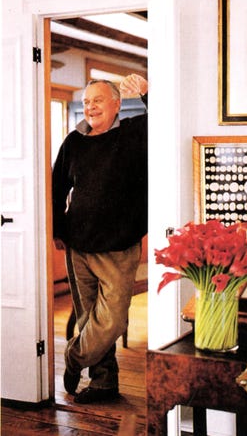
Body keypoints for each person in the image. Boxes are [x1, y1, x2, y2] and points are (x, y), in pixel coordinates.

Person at [52, 74, 148, 404]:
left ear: (116, 104)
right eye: (87, 102)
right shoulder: (73, 142)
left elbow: (165, 119)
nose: (90, 107)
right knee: (88, 315)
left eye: (98, 100)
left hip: (119, 244)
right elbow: (57, 187)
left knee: (112, 319)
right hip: (78, 242)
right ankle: (104, 382)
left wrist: (147, 92)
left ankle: (74, 357)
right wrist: (57, 229)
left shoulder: (134, 134)